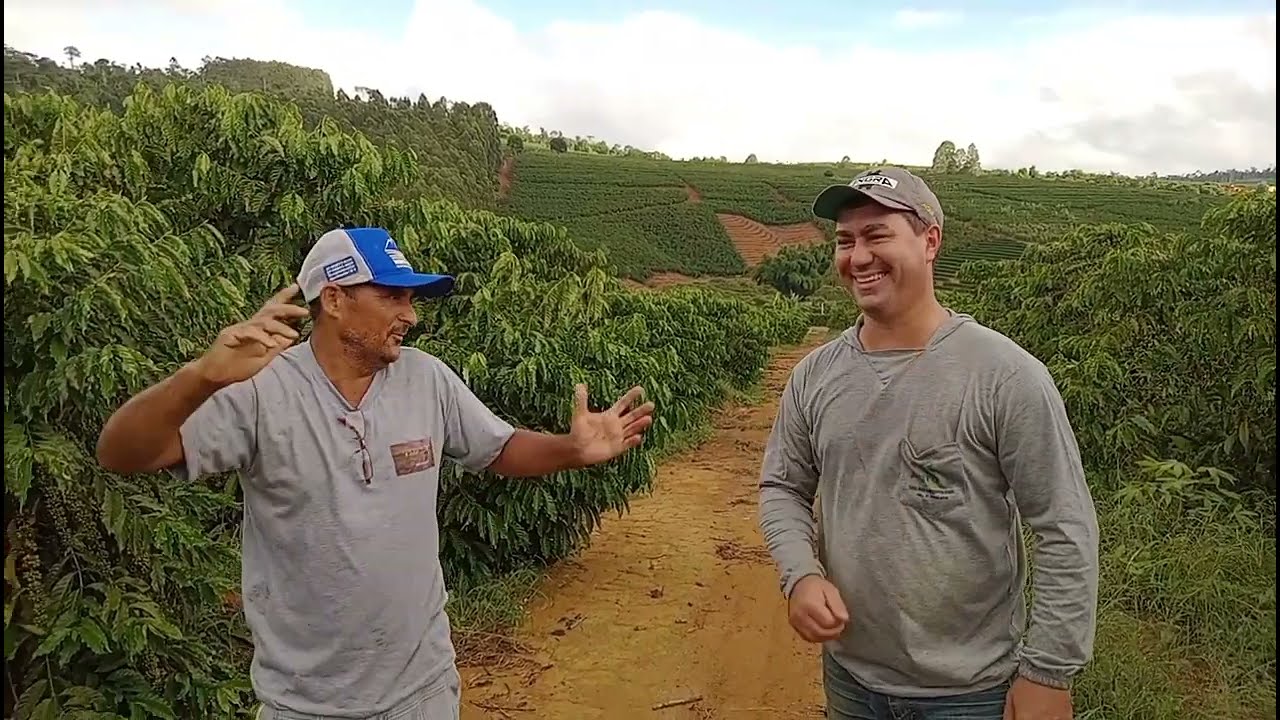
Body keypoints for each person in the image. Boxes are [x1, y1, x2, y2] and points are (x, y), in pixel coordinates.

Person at [96, 226, 655, 720]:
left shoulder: (427, 379)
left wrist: (571, 450)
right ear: (334, 299)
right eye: (392, 296)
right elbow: (122, 453)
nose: (410, 315)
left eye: (411, 298)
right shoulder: (261, 390)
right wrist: (200, 378)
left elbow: (500, 448)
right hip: (307, 704)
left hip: (424, 691)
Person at [757, 168, 1099, 720]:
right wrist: (801, 573)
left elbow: (1064, 526)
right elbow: (783, 486)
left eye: (877, 235)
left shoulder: (1004, 376)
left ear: (930, 240)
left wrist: (1048, 674)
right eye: (845, 241)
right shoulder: (815, 375)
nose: (858, 256)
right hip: (852, 680)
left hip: (972, 692)